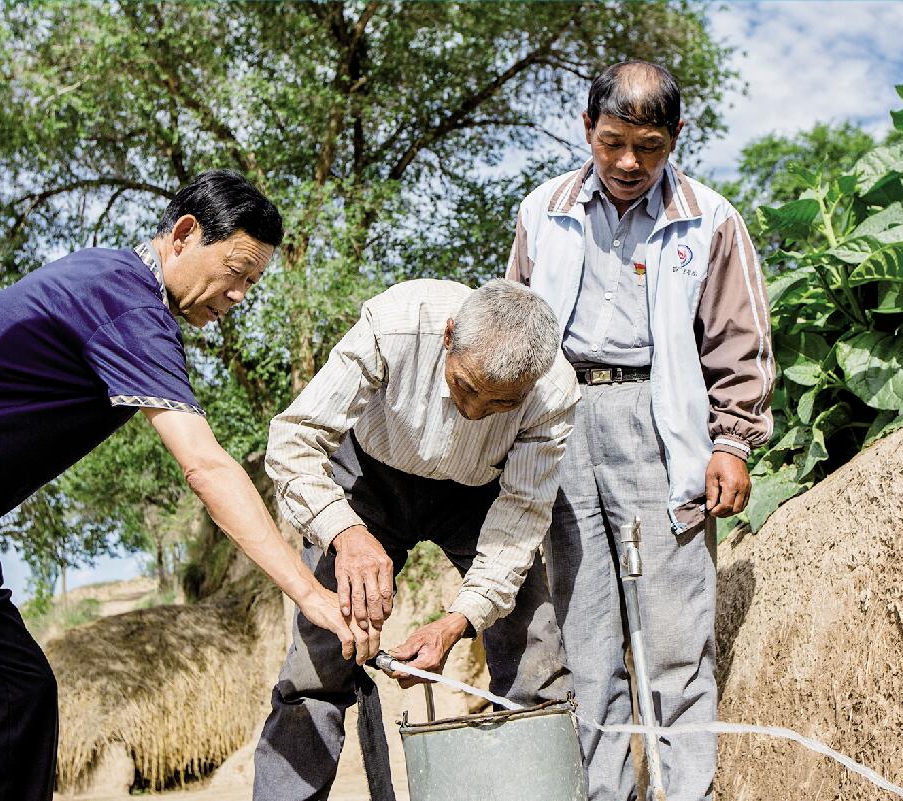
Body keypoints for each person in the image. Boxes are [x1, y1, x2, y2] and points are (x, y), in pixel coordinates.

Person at [0, 169, 370, 801]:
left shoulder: (102, 279)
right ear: (185, 235)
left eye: (253, 282)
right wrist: (307, 590)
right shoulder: (129, 301)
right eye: (236, 270)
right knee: (12, 701)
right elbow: (206, 467)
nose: (240, 294)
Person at [507, 62, 775, 801]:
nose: (630, 162)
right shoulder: (541, 211)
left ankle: (687, 791)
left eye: (650, 145)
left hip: (660, 420)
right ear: (587, 128)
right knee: (587, 639)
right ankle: (609, 793)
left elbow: (739, 340)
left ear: (676, 138)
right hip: (564, 426)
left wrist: (732, 440)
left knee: (673, 636)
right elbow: (517, 333)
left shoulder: (710, 218)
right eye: (614, 141)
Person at [253, 278, 579, 801]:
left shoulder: (553, 392)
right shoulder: (397, 323)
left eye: (500, 405)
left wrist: (461, 619)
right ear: (448, 335)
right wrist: (345, 532)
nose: (474, 411)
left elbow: (521, 515)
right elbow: (294, 441)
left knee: (534, 658)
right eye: (467, 387)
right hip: (368, 485)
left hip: (481, 497)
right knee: (318, 663)